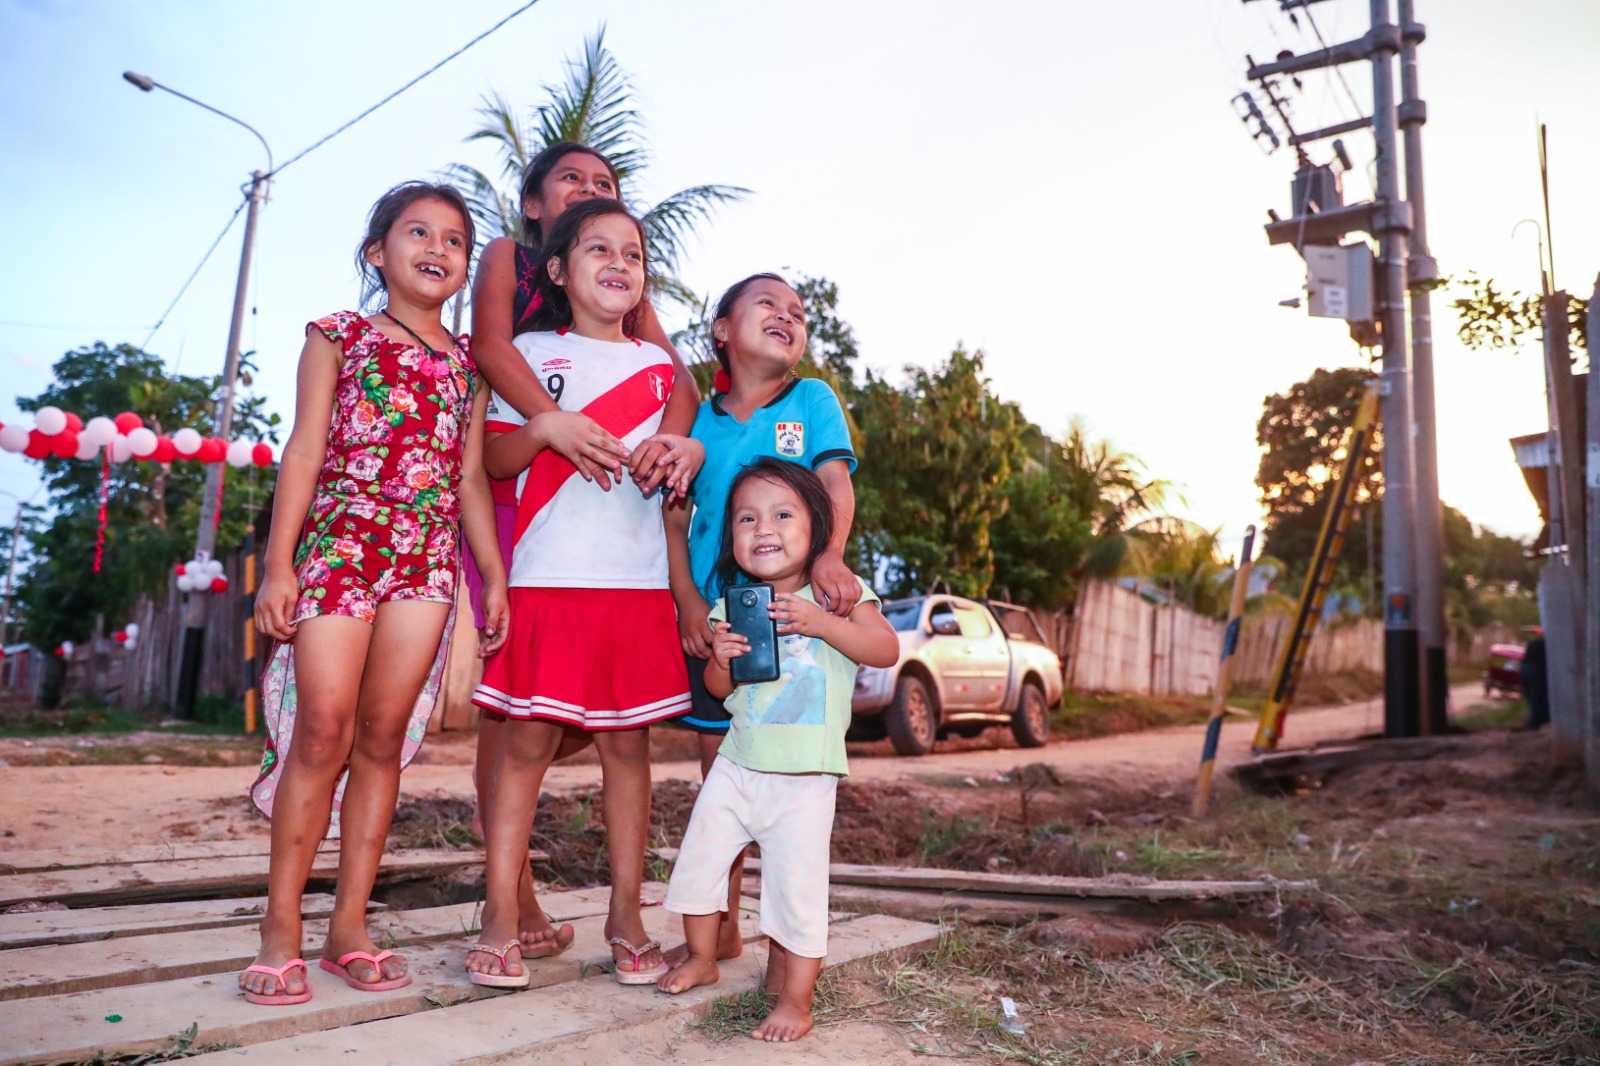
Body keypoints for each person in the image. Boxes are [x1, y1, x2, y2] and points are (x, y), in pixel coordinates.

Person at [242, 182, 508, 1005]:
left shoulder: (471, 366)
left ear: (465, 263)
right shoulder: (339, 335)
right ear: (377, 253)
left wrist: (491, 574)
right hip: (340, 546)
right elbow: (303, 451)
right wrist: (279, 565)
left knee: (384, 737)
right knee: (322, 729)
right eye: (416, 231)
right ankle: (280, 925)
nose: (437, 247)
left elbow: (468, 480)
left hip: (425, 563)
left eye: (455, 239)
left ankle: (348, 924)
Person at [465, 142, 703, 959]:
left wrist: (684, 449)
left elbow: (683, 433)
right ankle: (501, 911)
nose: (619, 262)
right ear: (557, 268)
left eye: (633, 254)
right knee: (525, 745)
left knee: (628, 749)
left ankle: (627, 918)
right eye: (598, 248)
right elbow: (493, 461)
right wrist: (542, 427)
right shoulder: (531, 351)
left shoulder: (663, 371)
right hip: (548, 578)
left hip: (634, 589)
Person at [657, 457, 898, 1042]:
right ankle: (702, 955)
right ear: (731, 537)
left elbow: (884, 649)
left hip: (806, 778)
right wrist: (720, 660)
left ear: (816, 527)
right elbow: (719, 692)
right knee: (699, 865)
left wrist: (821, 623)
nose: (763, 529)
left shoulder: (837, 594)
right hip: (738, 765)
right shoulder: (731, 606)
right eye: (746, 518)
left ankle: (796, 999)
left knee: (797, 890)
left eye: (782, 514)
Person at [663, 273, 860, 965]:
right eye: (768, 304)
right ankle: (718, 926)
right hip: (720, 617)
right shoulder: (696, 417)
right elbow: (676, 515)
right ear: (721, 329)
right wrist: (688, 600)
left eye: (799, 311)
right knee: (723, 768)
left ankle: (777, 931)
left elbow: (835, 484)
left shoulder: (811, 399)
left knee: (775, 770)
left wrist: (832, 557)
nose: (788, 314)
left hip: (788, 615)